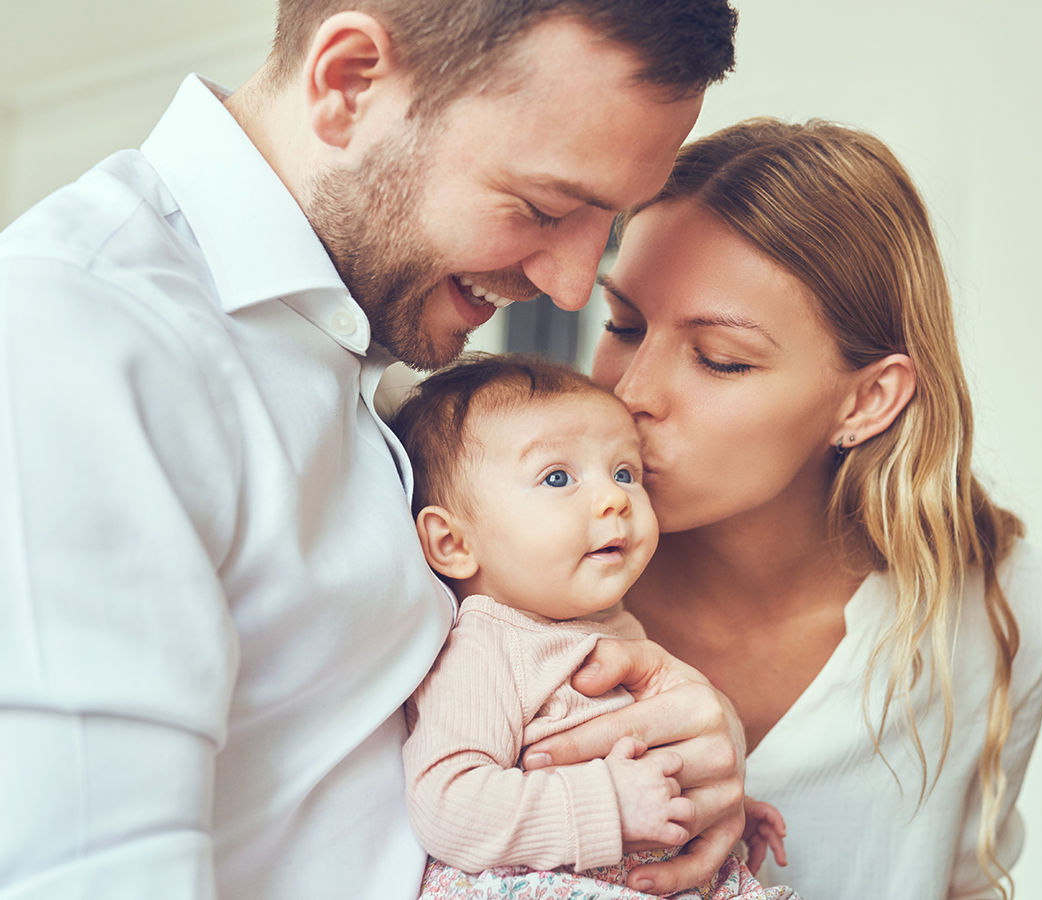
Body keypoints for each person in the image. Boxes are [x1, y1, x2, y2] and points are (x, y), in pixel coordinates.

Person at [0, 3, 744, 898]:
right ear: (348, 84)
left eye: (608, 225)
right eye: (544, 207)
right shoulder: (79, 337)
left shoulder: (367, 344)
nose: (573, 282)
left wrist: (679, 740)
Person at [522, 119, 1042, 900]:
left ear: (868, 400)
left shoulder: (996, 603)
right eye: (623, 325)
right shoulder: (513, 571)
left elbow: (965, 884)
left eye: (720, 359)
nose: (631, 392)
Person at [387, 353, 795, 900]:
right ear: (453, 544)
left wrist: (709, 807)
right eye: (558, 477)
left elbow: (638, 760)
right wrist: (609, 805)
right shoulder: (485, 647)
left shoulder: (612, 629)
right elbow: (448, 805)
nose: (614, 498)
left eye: (626, 472)